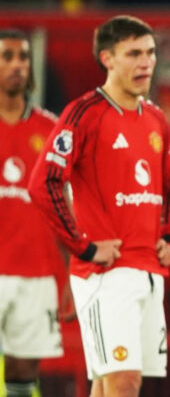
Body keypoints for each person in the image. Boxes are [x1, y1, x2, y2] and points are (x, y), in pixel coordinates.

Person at [27, 15, 170, 397]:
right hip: (106, 273)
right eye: (134, 53)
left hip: (149, 269)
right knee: (123, 381)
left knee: (112, 381)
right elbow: (43, 182)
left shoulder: (156, 119)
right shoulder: (84, 114)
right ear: (107, 58)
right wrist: (82, 246)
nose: (146, 62)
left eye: (150, 53)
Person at [0, 30, 62, 397]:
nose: (17, 65)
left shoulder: (51, 131)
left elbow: (66, 206)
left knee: (23, 375)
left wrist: (70, 273)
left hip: (36, 273)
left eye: (23, 57)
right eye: (6, 57)